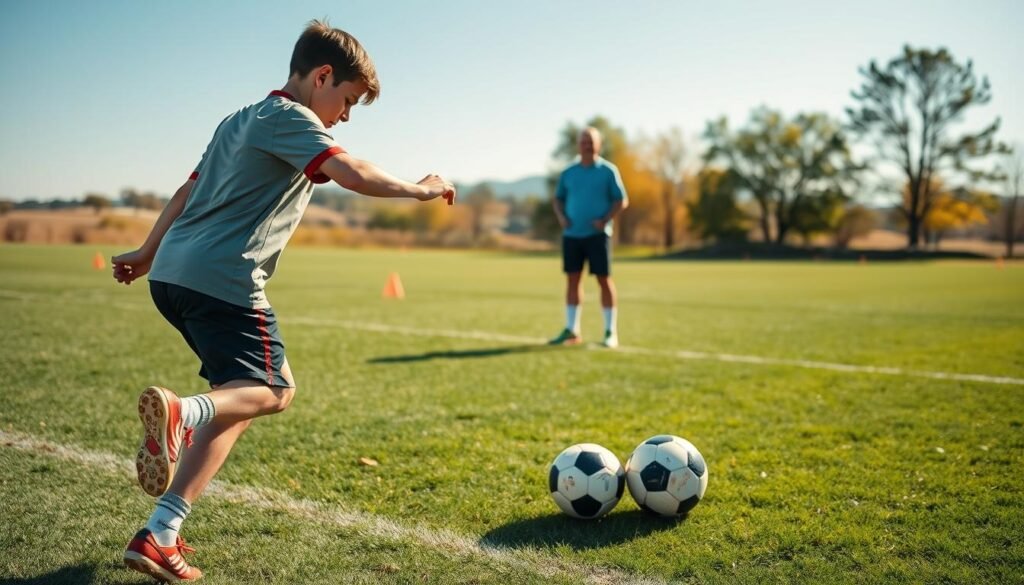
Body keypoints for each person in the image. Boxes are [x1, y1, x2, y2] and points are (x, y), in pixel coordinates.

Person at [113, 20, 455, 581]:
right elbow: (353, 171)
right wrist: (423, 187)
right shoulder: (291, 119)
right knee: (275, 389)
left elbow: (188, 191)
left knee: (240, 397)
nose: (344, 116)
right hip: (221, 279)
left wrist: (150, 250)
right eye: (346, 101)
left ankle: (160, 533)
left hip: (171, 276)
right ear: (322, 76)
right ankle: (182, 412)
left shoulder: (239, 118)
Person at [549, 127, 629, 348]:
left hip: (598, 236)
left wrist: (605, 219)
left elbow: (621, 200)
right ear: (578, 145)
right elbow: (558, 200)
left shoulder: (608, 171)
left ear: (599, 145)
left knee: (604, 280)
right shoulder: (569, 173)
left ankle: (610, 332)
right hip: (572, 235)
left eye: (591, 141)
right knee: (573, 281)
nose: (587, 145)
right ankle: (572, 330)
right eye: (583, 141)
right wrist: (562, 217)